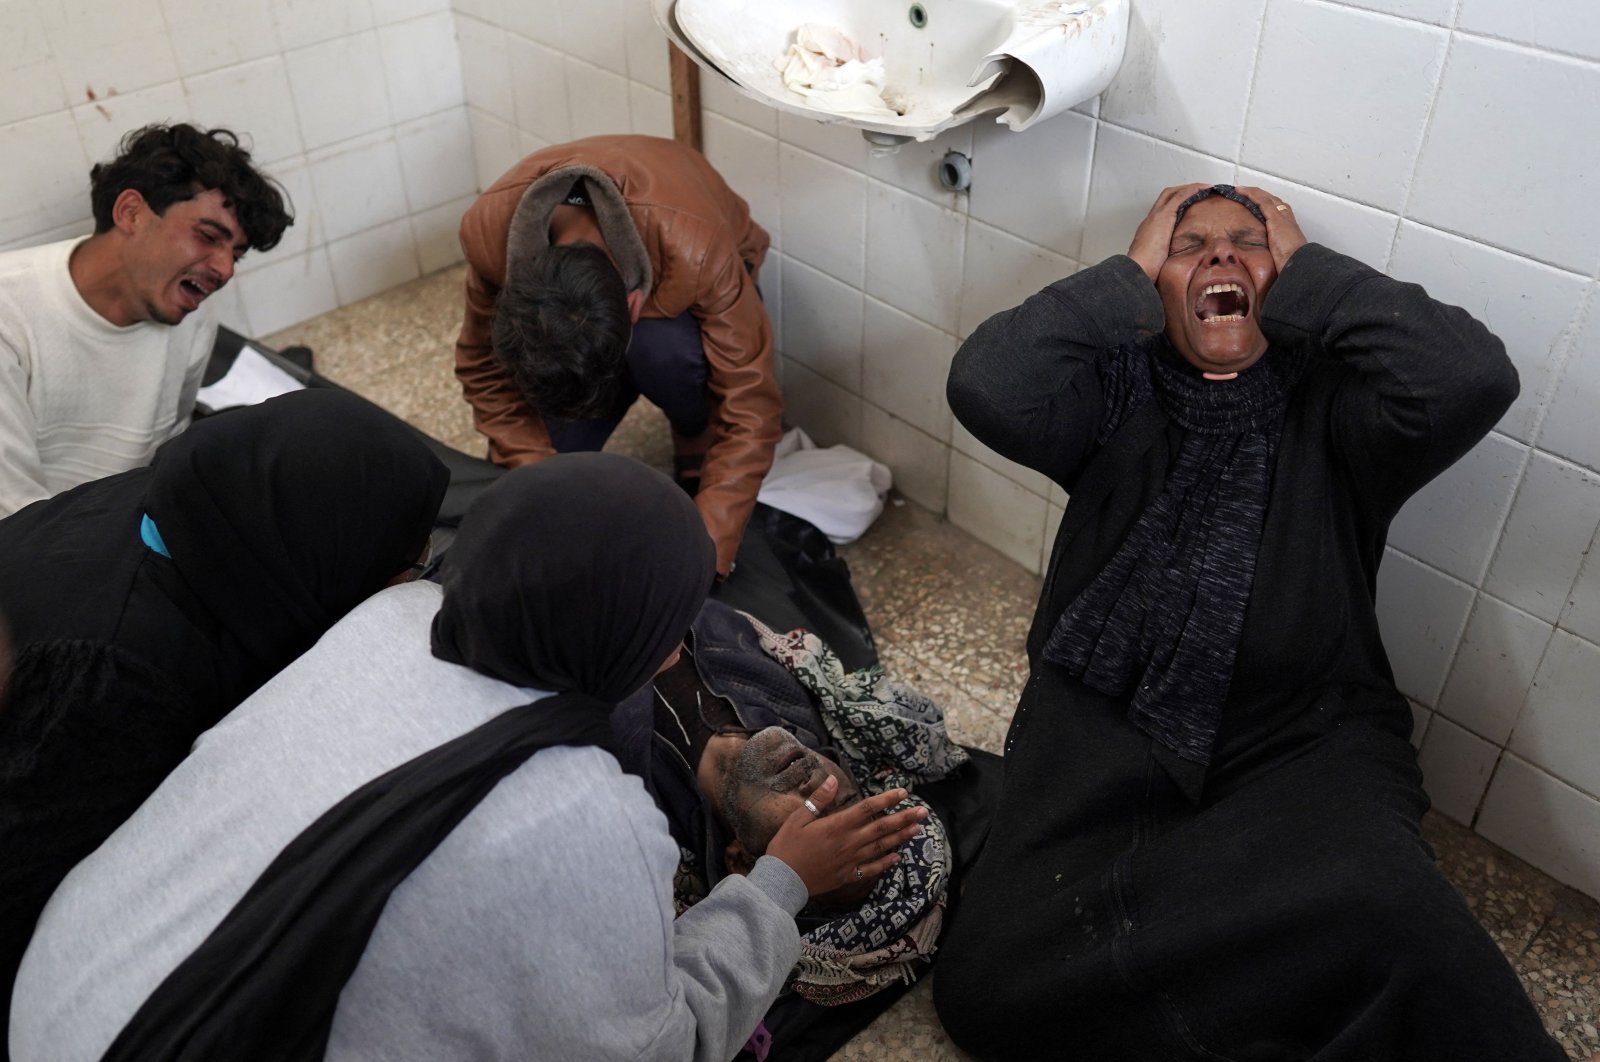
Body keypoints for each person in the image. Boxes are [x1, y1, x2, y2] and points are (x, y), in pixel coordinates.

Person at [930, 184, 1566, 1060]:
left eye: (1247, 242)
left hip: (1301, 744)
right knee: (990, 989)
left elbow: (1472, 376)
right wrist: (1129, 271)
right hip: (1100, 751)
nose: (1221, 255)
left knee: (1394, 915)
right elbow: (987, 383)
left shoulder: (1342, 409)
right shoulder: (1114, 400)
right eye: (1189, 245)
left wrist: (1308, 269)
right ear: (1155, 281)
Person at [11, 454, 927, 1062]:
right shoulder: (590, 822)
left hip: (62, 993)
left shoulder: (391, 620)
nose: (811, 775)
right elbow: (660, 1050)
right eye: (669, 626)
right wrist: (779, 887)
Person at [0, 388, 447, 1049]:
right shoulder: (108, 691)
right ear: (316, 555)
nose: (409, 583)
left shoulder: (203, 507)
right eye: (404, 565)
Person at [612, 599, 965, 1013]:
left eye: (814, 827)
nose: (821, 791)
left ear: (743, 863)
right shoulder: (789, 693)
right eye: (849, 800)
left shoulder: (625, 797)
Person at [454, 134, 782, 578]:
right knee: (534, 483)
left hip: (688, 283)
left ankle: (694, 432)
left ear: (632, 306)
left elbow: (750, 405)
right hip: (629, 278)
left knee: (666, 349)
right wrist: (540, 473)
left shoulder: (696, 249)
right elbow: (481, 368)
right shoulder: (488, 233)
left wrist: (705, 553)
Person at [0, 123, 293, 517]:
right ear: (131, 212)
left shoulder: (192, 309)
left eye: (235, 255)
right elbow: (14, 517)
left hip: (136, 525)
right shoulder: (10, 315)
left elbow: (171, 446)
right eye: (207, 236)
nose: (224, 270)